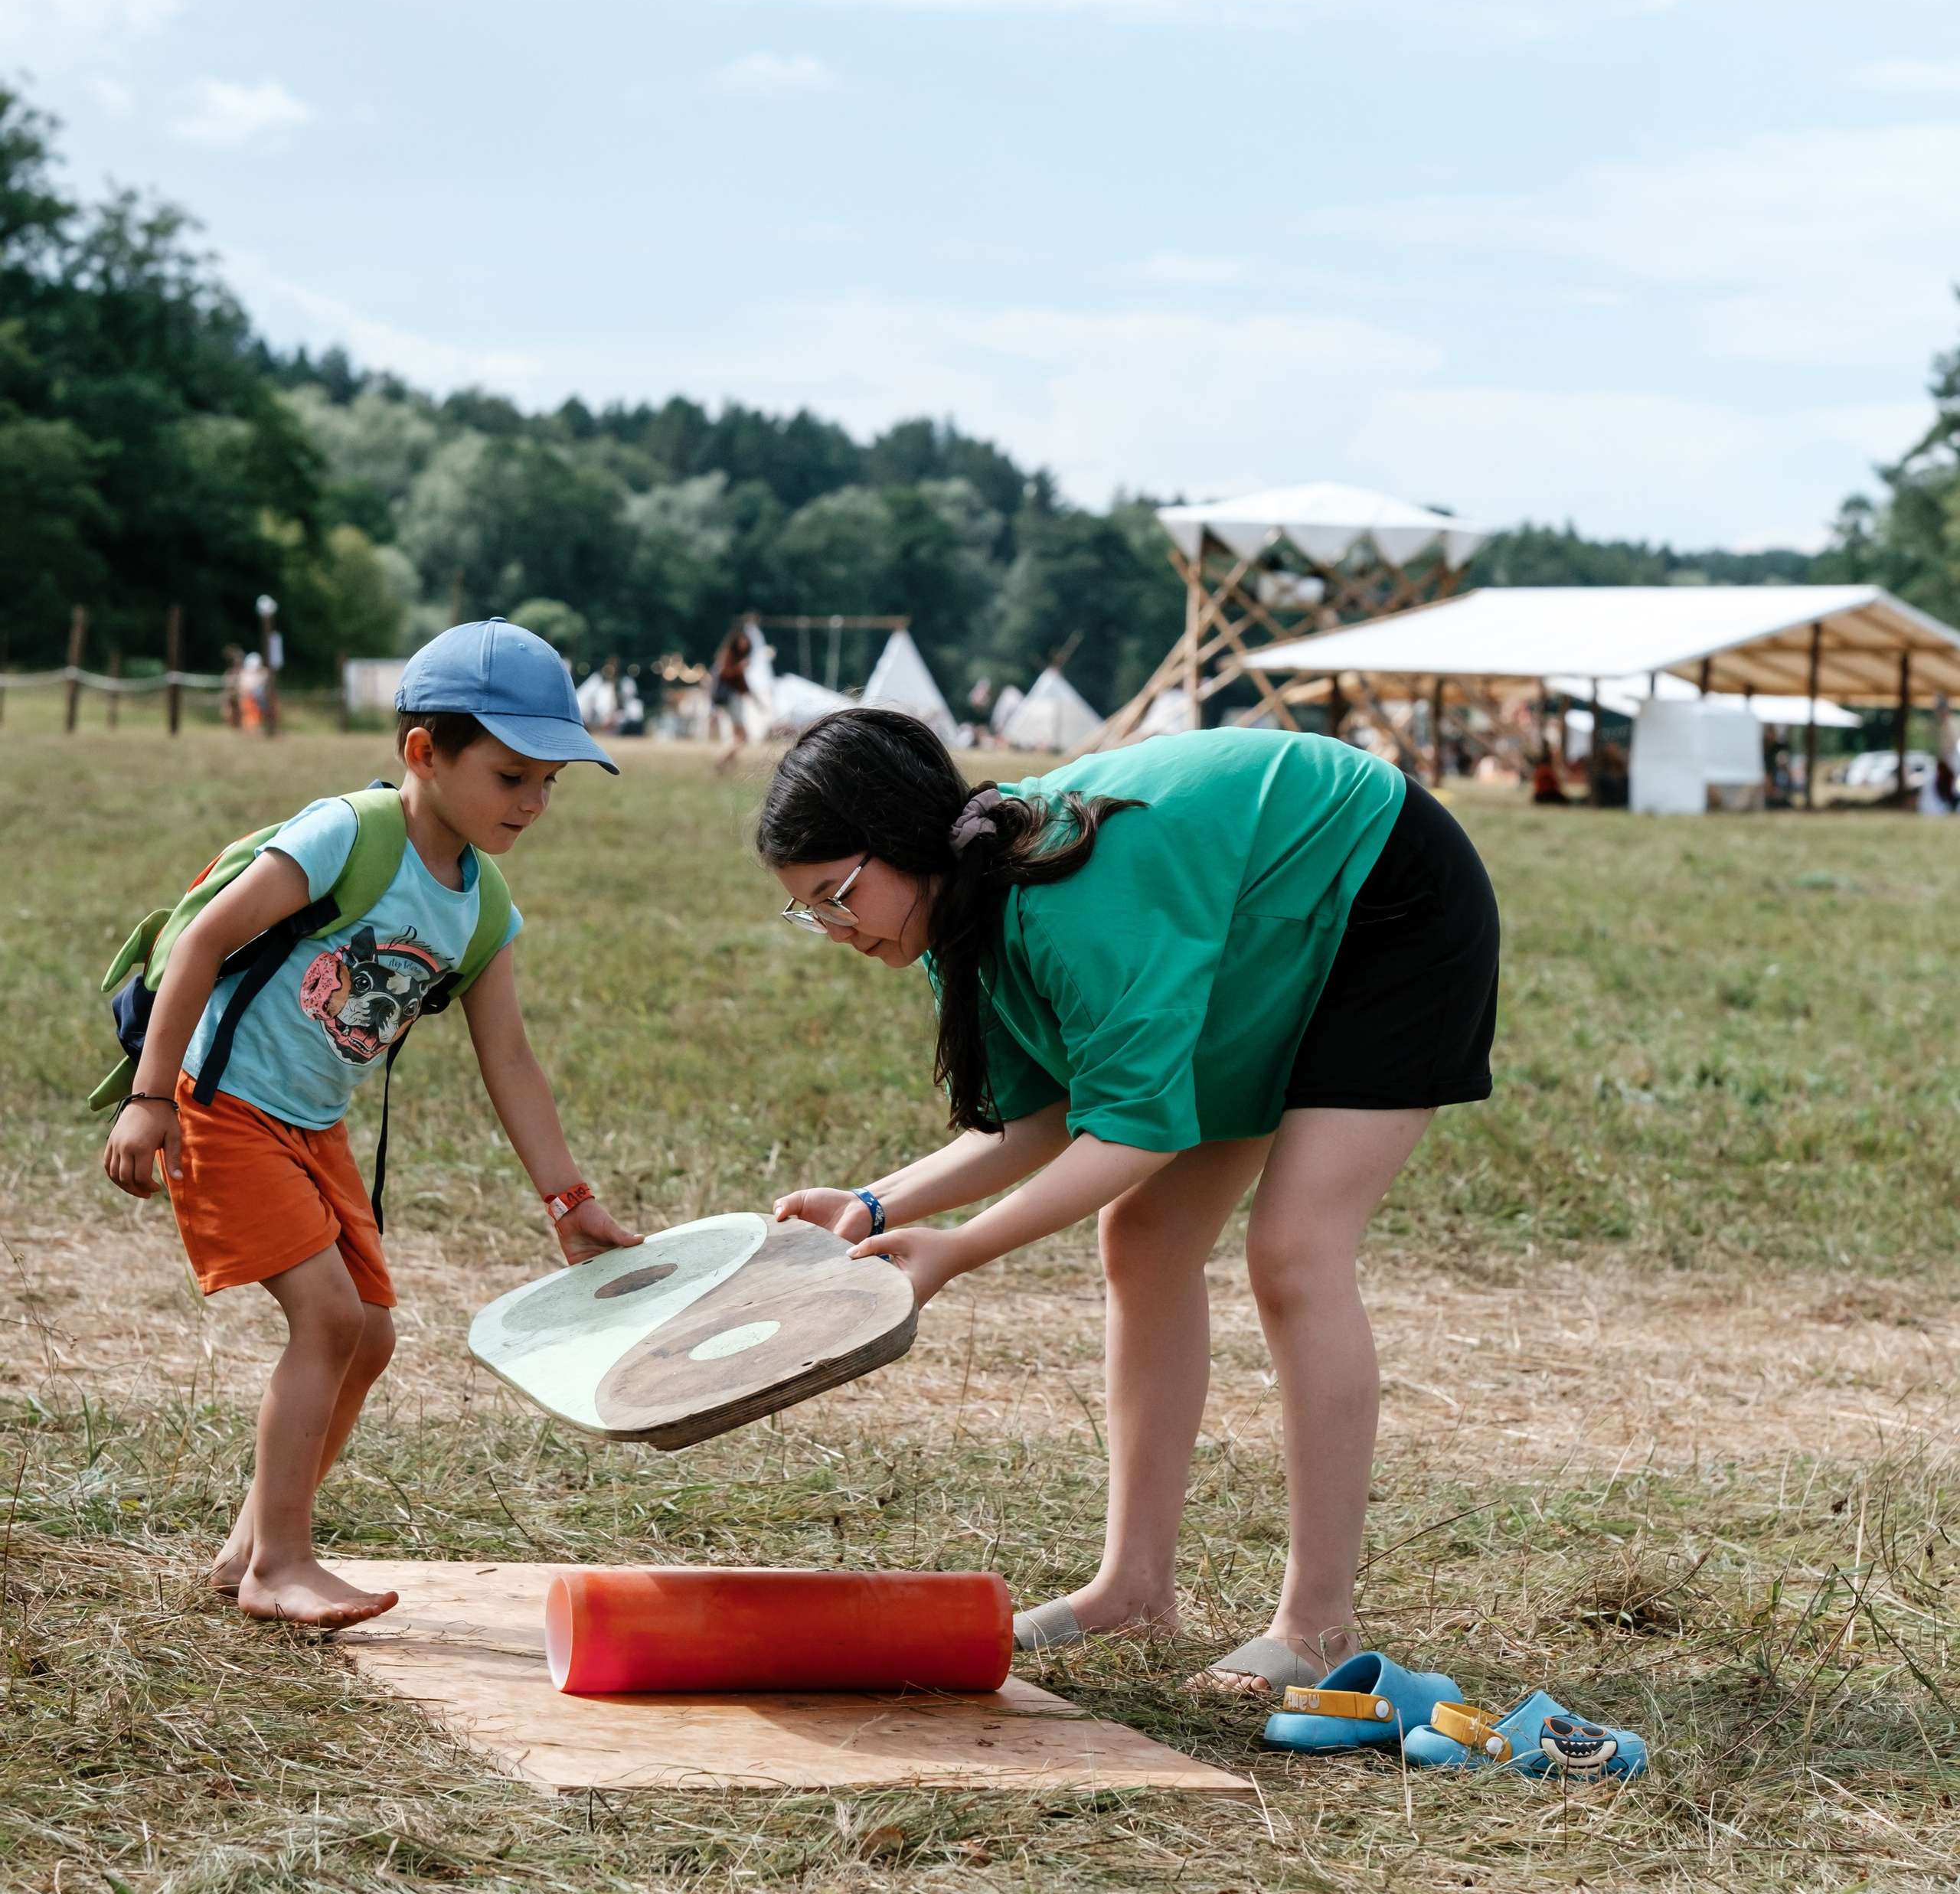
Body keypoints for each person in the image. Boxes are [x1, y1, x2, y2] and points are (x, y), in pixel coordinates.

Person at [758, 710, 1500, 1700]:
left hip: (1383, 898)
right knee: (1143, 1237)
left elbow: (1138, 1132)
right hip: (1266, 924)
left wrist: (962, 1250)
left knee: (1293, 1253)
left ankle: (1316, 1629)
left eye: (840, 895)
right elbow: (1052, 1117)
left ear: (905, 842)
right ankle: (1134, 1587)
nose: (836, 930)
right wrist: (873, 1204)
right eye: (809, 911)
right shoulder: (964, 916)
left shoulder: (1064, 900)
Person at [99, 620, 642, 1632]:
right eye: (512, 775)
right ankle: (282, 1566)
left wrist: (570, 1200)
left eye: (549, 784)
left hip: (315, 1127)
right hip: (224, 1107)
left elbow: (510, 1058)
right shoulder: (350, 834)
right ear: (423, 755)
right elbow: (206, 940)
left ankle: (249, 1548)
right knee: (332, 1320)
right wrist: (151, 1094)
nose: (532, 803)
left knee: (373, 1338)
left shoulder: (484, 910)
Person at [707, 622, 753, 772]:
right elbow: (727, 674)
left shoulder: (734, 656)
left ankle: (730, 768)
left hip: (733, 698)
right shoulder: (730, 656)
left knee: (735, 734)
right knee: (742, 736)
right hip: (732, 698)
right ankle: (720, 758)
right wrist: (740, 668)